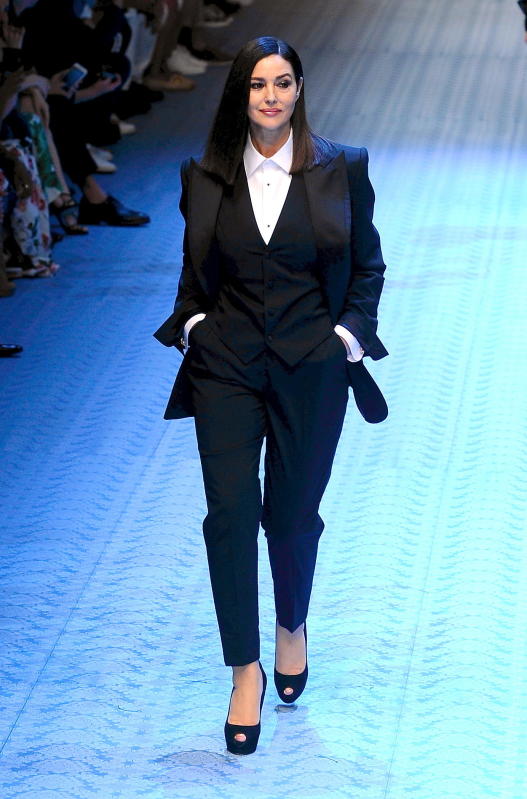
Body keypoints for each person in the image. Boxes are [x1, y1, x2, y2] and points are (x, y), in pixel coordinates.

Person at [154, 36, 388, 756]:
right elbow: (193, 276)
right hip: (225, 367)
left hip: (310, 367)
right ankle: (243, 671)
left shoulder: (341, 168)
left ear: (298, 90)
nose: (271, 96)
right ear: (240, 94)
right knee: (228, 515)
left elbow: (368, 268)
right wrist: (196, 327)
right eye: (258, 84)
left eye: (283, 83)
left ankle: (292, 624)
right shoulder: (202, 176)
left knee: (289, 517)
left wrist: (346, 339)